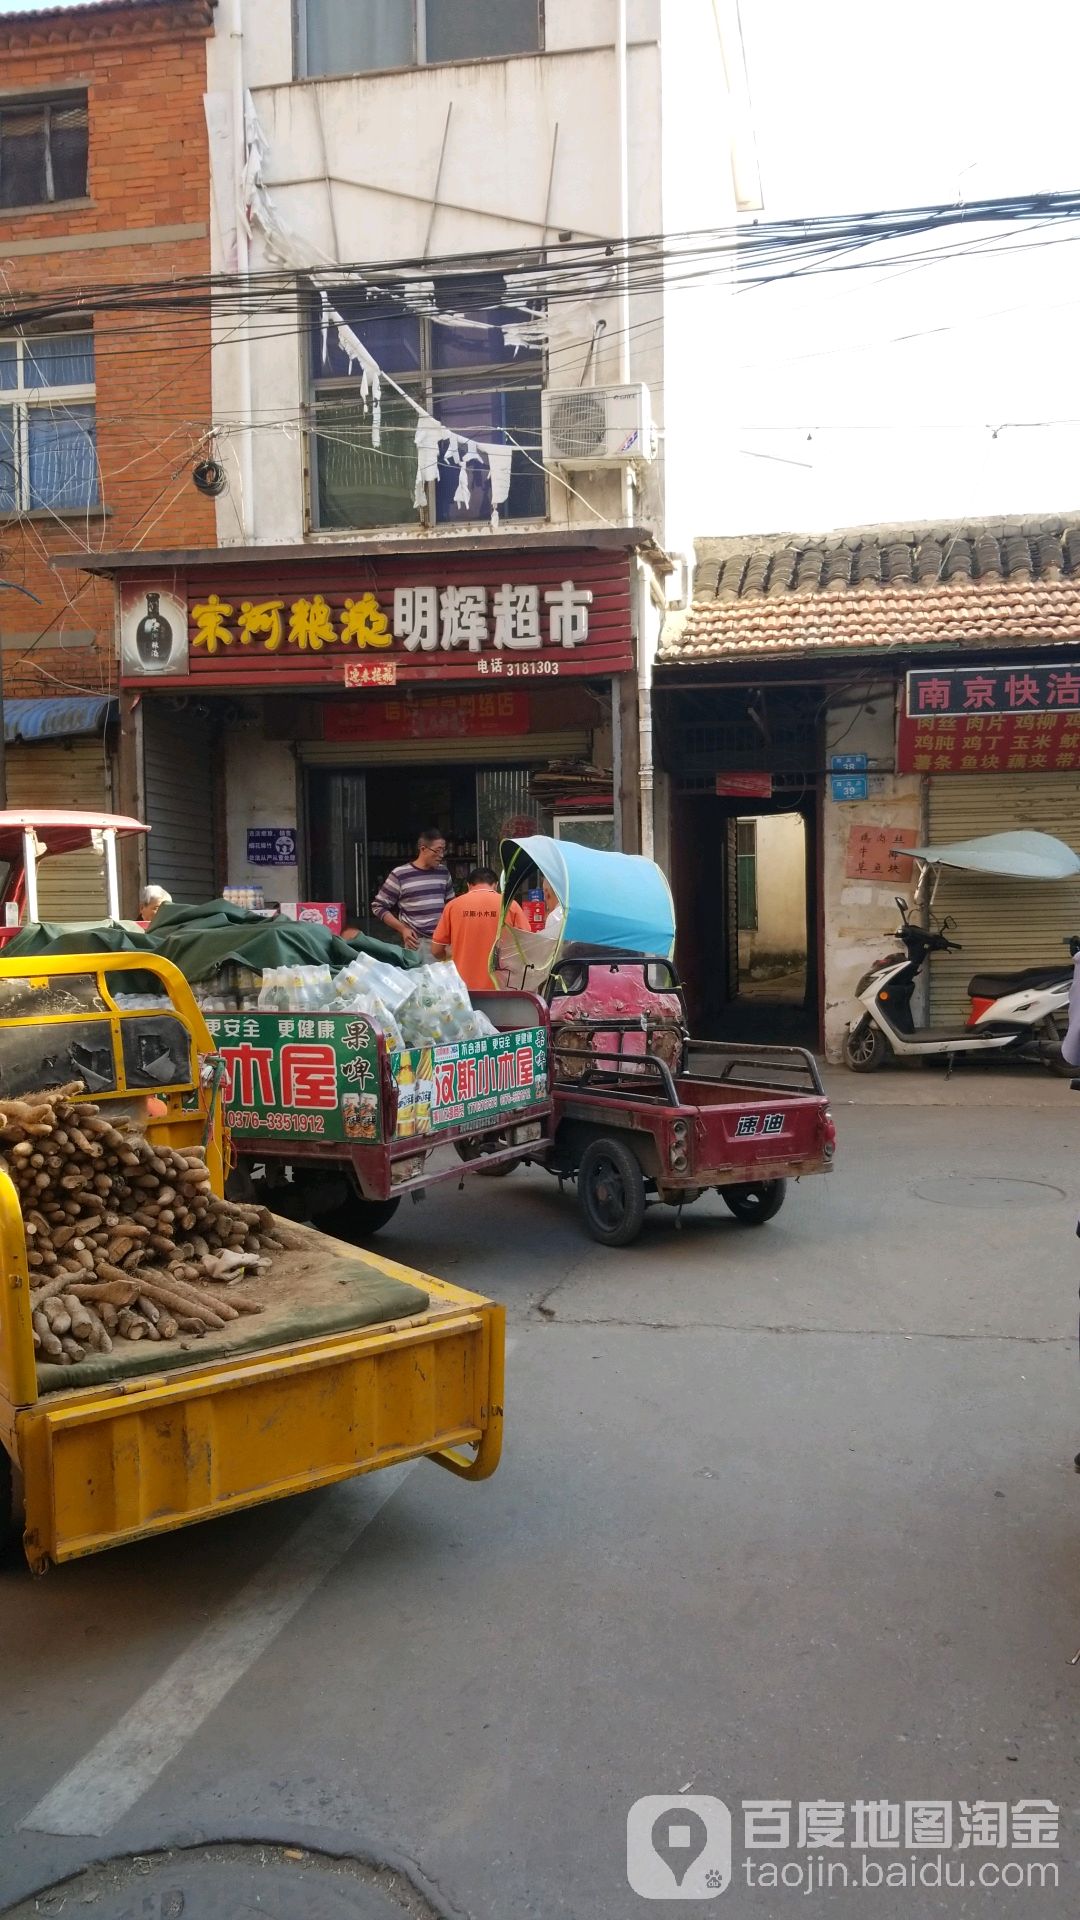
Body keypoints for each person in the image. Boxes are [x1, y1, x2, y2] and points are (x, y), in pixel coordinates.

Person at [432, 866, 528, 990]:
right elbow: (527, 945)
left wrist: (450, 956)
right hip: (501, 985)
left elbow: (436, 950)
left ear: (468, 885)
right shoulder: (510, 905)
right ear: (496, 885)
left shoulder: (452, 906)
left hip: (463, 987)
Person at [371, 829, 454, 960]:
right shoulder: (400, 874)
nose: (441, 855)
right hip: (417, 943)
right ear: (423, 849)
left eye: (444, 850)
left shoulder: (443, 873)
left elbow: (451, 905)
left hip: (443, 941)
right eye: (438, 850)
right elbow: (378, 906)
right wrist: (403, 929)